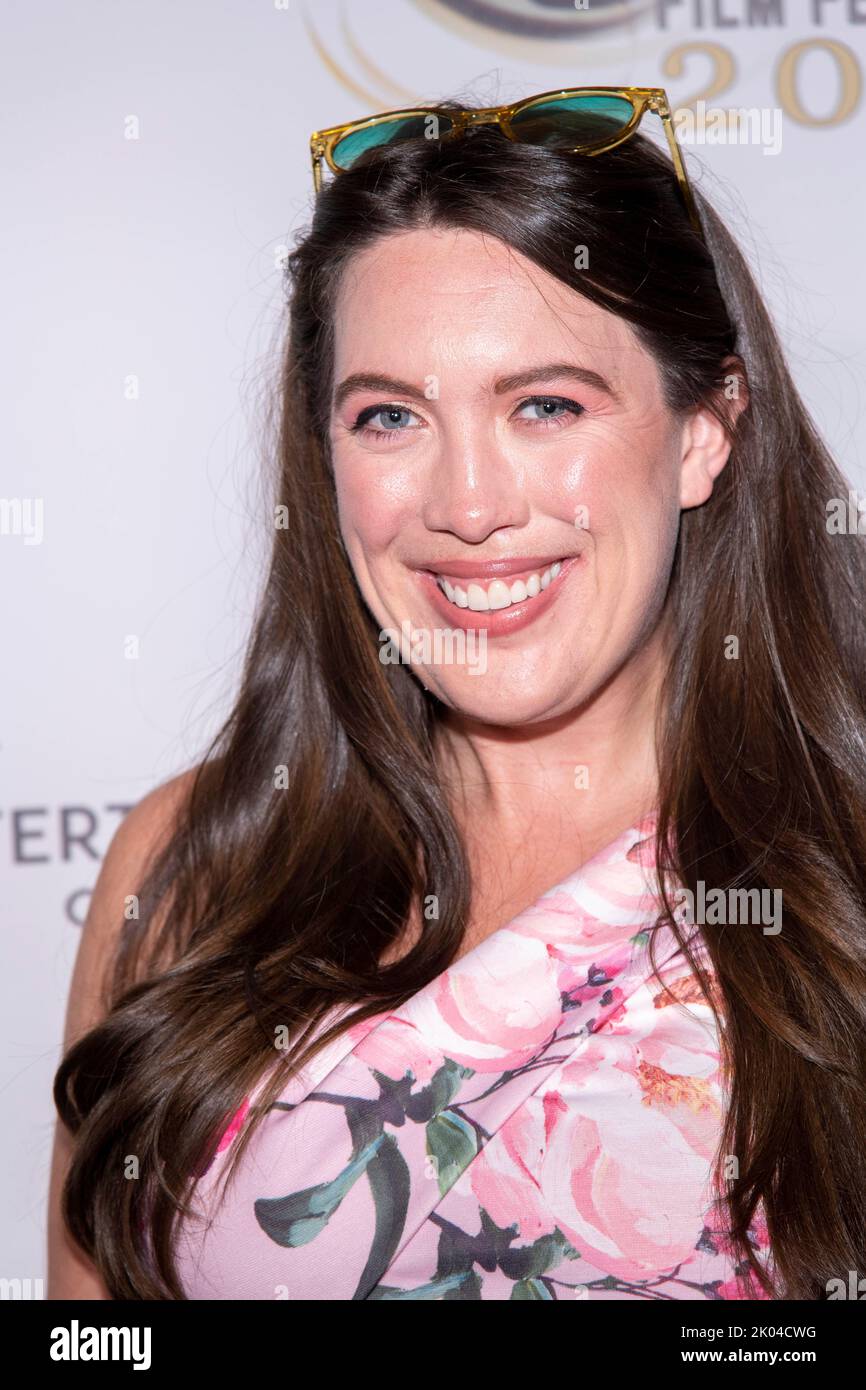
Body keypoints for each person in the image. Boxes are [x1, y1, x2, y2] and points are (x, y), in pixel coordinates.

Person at [48, 92, 866, 1301]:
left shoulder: (836, 876)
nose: (468, 506)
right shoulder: (198, 865)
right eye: (389, 417)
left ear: (703, 429)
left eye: (545, 405)